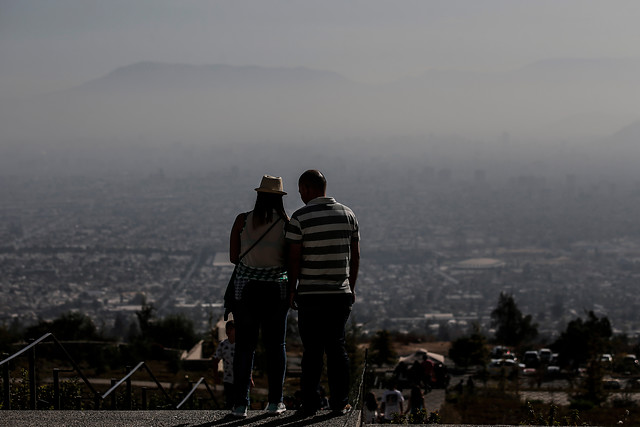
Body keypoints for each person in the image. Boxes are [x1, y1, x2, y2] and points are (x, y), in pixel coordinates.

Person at [286, 170, 360, 417]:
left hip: (309, 295)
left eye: (300, 191)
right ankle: (340, 402)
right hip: (339, 294)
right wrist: (351, 286)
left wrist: (292, 290)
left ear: (307, 189)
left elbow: (294, 259)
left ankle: (310, 404)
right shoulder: (348, 214)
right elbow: (356, 254)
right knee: (337, 348)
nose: (300, 195)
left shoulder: (299, 218)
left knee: (313, 352)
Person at [228, 175, 290, 418]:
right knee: (276, 346)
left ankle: (240, 405)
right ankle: (275, 402)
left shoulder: (242, 220)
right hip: (276, 289)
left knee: (245, 347)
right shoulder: (286, 224)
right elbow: (290, 260)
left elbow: (234, 257)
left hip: (246, 289)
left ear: (258, 195)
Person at [212, 320, 236, 409]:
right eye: (227, 329)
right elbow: (215, 360)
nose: (228, 331)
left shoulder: (241, 344)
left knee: (241, 400)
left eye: (231, 329)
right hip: (228, 379)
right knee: (229, 401)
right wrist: (216, 376)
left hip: (241, 378)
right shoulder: (223, 344)